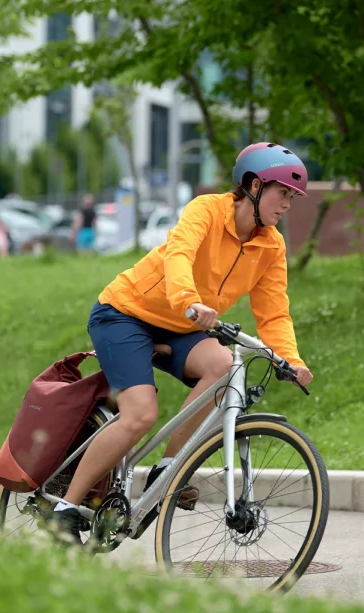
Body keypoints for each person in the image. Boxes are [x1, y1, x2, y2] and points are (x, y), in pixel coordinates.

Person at [46, 142, 314, 544]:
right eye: (283, 193)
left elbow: (274, 312)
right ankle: (65, 506)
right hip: (125, 313)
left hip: (183, 322)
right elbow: (179, 256)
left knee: (224, 366)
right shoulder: (206, 210)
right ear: (254, 186)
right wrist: (189, 301)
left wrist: (289, 359)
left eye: (293, 197)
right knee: (139, 415)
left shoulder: (270, 245)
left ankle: (168, 467)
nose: (288, 204)